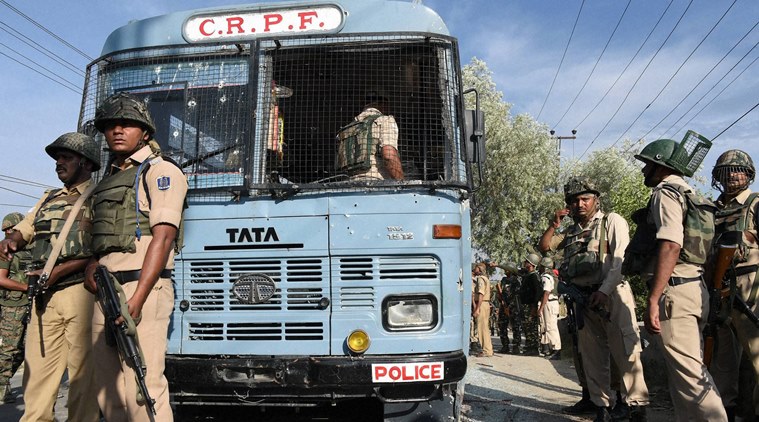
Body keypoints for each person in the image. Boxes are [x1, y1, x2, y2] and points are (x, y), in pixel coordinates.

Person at [84, 92, 187, 422]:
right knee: (108, 389)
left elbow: (164, 237)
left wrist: (139, 298)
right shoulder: (109, 180)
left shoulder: (160, 171)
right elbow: (101, 239)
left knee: (143, 388)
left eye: (127, 124)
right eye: (111, 125)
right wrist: (92, 266)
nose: (117, 130)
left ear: (144, 132)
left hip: (142, 287)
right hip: (106, 290)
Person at [0, 133, 101, 422]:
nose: (59, 162)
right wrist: (11, 241)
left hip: (81, 294)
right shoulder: (48, 198)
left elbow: (102, 249)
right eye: (57, 157)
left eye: (66, 157)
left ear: (86, 162)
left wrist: (57, 272)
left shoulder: (100, 196)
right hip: (45, 297)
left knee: (83, 379)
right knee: (37, 380)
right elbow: (26, 227)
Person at [629, 138, 726, 421]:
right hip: (694, 288)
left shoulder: (666, 193)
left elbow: (671, 244)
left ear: (660, 166)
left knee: (691, 376)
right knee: (682, 378)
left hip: (674, 292)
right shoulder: (693, 196)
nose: (644, 170)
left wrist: (653, 298)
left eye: (647, 164)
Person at [539, 176, 649, 422]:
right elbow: (545, 247)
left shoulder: (612, 221)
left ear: (596, 200)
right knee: (593, 357)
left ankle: (635, 407)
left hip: (612, 294)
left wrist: (605, 291)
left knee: (626, 352)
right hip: (585, 301)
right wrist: (554, 224)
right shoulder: (571, 232)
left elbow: (620, 260)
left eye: (585, 199)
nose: (580, 204)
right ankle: (602, 407)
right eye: (574, 200)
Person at [709, 149, 759, 421]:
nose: (731, 176)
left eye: (738, 170)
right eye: (725, 172)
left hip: (748, 288)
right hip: (716, 289)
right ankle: (725, 412)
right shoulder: (711, 209)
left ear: (748, 174)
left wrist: (746, 237)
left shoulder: (755, 203)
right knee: (721, 358)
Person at [337, 92, 403, 180]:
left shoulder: (346, 130)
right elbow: (389, 156)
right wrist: (401, 183)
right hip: (375, 183)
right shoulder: (385, 120)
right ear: (383, 104)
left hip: (349, 183)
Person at [0, 212, 30, 403]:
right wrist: (26, 287)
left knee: (25, 349)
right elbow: (1, 279)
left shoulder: (30, 249)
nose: (11, 232)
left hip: (29, 304)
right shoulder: (4, 250)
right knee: (8, 350)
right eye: (8, 230)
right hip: (11, 306)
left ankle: (5, 382)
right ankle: (2, 387)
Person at [537, 256, 561, 359]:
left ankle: (556, 349)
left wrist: (541, 308)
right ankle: (549, 348)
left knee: (551, 327)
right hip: (552, 302)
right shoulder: (553, 276)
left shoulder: (546, 277)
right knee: (547, 326)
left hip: (549, 302)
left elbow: (546, 292)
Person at [520, 254, 542, 356]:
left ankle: (533, 348)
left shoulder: (534, 276)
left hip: (530, 306)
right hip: (526, 305)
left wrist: (534, 306)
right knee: (526, 327)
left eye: (527, 262)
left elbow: (537, 292)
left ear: (531, 264)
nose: (525, 263)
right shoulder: (527, 275)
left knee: (531, 327)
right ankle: (529, 346)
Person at [472, 262, 493, 357]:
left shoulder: (480, 279)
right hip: (485, 304)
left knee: (482, 328)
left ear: (480, 269)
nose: (474, 269)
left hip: (482, 303)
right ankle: (488, 349)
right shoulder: (486, 278)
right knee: (484, 327)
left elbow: (481, 294)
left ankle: (486, 350)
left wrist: (477, 308)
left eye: (476, 268)